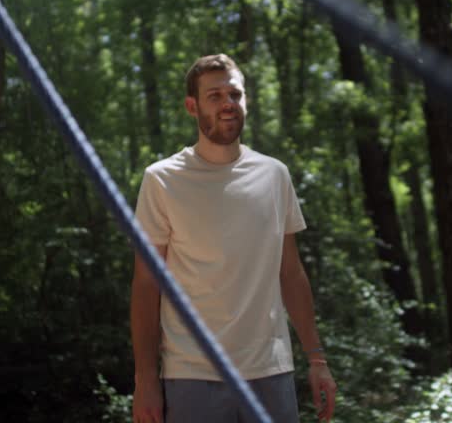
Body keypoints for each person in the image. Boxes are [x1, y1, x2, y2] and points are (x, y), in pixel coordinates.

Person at [131, 54, 337, 423]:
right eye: (215, 96)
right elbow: (147, 284)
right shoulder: (161, 180)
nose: (228, 103)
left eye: (235, 94)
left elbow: (290, 273)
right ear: (191, 106)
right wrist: (145, 378)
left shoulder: (275, 175)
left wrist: (317, 359)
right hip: (192, 376)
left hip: (271, 373)